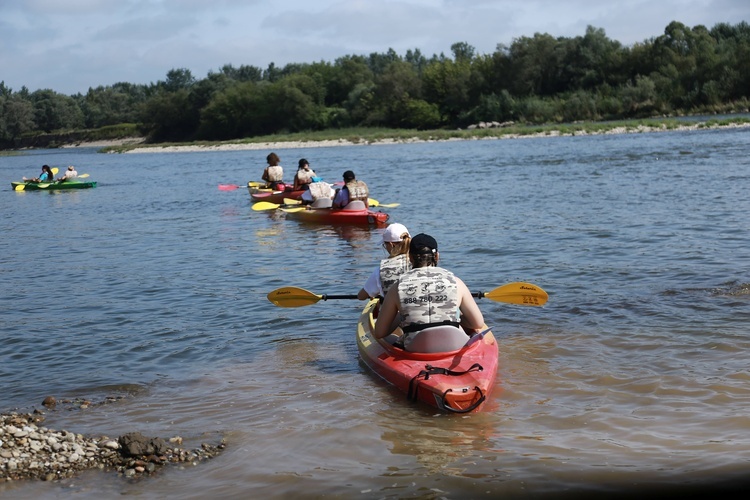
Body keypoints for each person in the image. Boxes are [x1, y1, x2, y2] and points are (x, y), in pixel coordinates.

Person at [374, 233, 485, 352]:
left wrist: (402, 315)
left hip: (415, 349)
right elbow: (478, 323)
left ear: (410, 258)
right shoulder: (456, 282)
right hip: (454, 345)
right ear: (436, 256)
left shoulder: (397, 287)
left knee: (389, 339)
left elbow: (380, 332)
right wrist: (455, 315)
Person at [358, 223, 412, 300]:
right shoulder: (421, 263)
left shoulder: (381, 270)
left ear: (391, 244)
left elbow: (361, 296)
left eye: (385, 245)